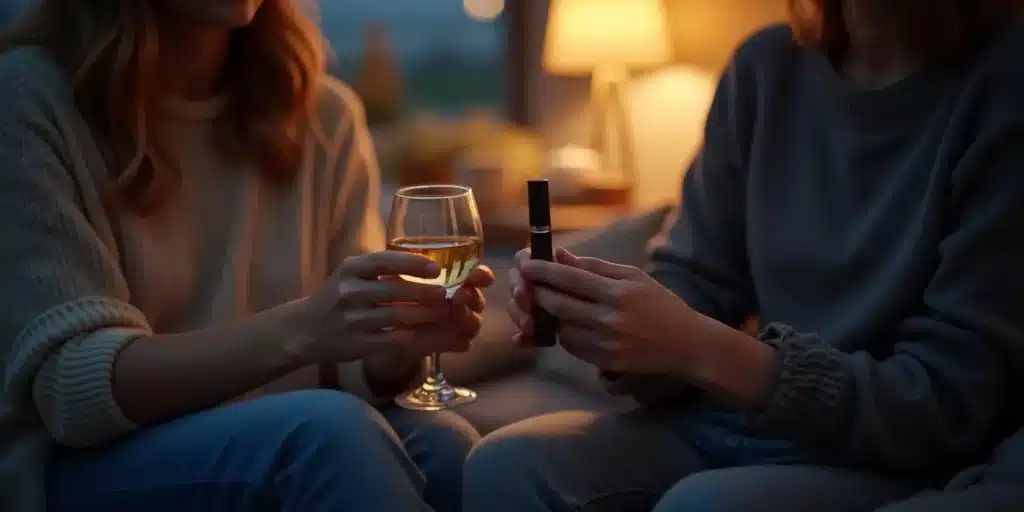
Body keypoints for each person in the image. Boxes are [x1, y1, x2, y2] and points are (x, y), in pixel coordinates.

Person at [465, 0, 1024, 510]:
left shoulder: (1002, 84)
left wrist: (703, 349)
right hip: (742, 423)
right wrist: (615, 327)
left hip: (888, 452)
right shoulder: (766, 69)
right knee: (506, 465)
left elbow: (948, 401)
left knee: (706, 505)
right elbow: (696, 280)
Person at [0, 1, 492, 511]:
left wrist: (396, 348)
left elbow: (344, 365)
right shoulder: (29, 98)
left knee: (446, 445)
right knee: (329, 437)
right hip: (81, 466)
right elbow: (72, 392)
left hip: (274, 429)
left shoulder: (324, 114)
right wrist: (303, 327)